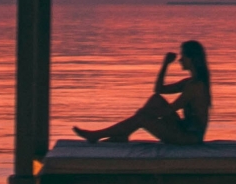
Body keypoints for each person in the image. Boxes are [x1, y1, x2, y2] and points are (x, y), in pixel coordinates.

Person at [74, 39, 213, 144]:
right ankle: (121, 134)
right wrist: (165, 65)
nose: (180, 60)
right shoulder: (189, 82)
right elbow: (159, 90)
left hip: (190, 139)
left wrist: (143, 115)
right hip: (183, 128)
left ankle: (98, 135)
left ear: (192, 59)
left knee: (142, 117)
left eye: (183, 56)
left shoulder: (196, 86)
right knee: (155, 99)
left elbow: (168, 111)